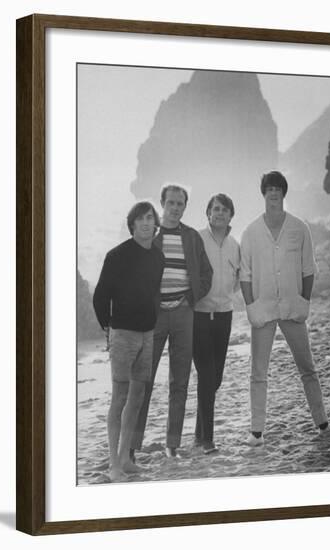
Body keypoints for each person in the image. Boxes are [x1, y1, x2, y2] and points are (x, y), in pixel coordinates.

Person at [240, 171, 330, 446]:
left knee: (308, 368)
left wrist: (304, 301)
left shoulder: (299, 228)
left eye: (278, 188)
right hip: (263, 311)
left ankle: (323, 423)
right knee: (258, 372)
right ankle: (256, 432)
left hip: (294, 309)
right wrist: (251, 307)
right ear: (264, 193)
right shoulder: (250, 231)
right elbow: (245, 274)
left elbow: (309, 269)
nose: (273, 193)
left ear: (284, 192)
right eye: (269, 189)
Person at [131, 184, 213, 459]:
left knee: (180, 381)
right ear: (162, 204)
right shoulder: (150, 236)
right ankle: (132, 445)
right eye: (171, 203)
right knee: (143, 379)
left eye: (180, 203)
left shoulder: (191, 237)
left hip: (182, 313)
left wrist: (191, 297)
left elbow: (206, 273)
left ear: (184, 207)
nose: (175, 208)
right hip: (153, 316)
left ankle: (172, 445)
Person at [93, 202, 164, 481]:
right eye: (140, 219)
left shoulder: (158, 257)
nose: (146, 223)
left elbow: (152, 294)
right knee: (119, 397)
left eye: (150, 218)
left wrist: (153, 321)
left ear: (154, 223)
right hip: (123, 335)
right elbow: (100, 297)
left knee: (137, 397)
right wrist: (107, 329)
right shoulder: (117, 255)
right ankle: (113, 464)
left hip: (147, 334)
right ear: (132, 224)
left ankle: (126, 458)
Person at [193, 194, 240, 454]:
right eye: (215, 209)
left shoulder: (235, 244)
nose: (219, 213)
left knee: (216, 378)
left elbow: (237, 278)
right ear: (208, 213)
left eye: (224, 210)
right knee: (206, 376)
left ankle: (198, 434)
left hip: (224, 316)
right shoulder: (197, 239)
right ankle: (207, 440)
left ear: (231, 215)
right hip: (199, 316)